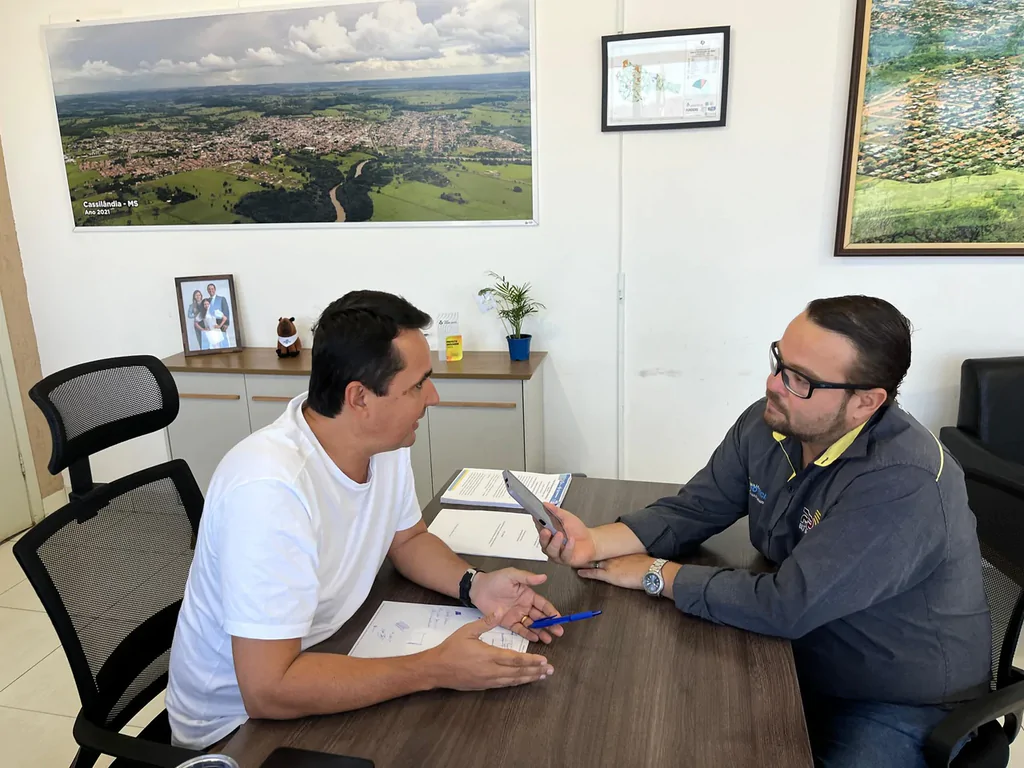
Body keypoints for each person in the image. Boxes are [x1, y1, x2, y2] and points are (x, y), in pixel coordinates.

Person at [537, 296, 991, 768]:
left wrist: (655, 574)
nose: (774, 384)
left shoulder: (902, 480)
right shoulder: (771, 421)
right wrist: (593, 542)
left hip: (893, 695)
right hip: (796, 655)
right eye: (780, 363)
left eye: (801, 380)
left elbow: (785, 604)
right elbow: (698, 506)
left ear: (866, 402)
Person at [166, 290, 563, 751]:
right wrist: (433, 668)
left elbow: (408, 538)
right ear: (359, 398)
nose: (432, 397)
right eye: (418, 385)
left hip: (326, 649)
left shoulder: (382, 442)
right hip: (235, 732)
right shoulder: (269, 490)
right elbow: (268, 688)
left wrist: (474, 584)